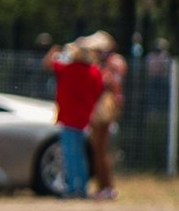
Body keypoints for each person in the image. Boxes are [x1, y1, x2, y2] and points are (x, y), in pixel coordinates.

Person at [48, 35, 102, 196]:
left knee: (70, 156)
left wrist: (55, 50)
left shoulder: (68, 69)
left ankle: (72, 188)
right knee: (81, 156)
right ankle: (83, 188)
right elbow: (99, 91)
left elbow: (49, 63)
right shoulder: (94, 72)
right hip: (85, 118)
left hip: (68, 117)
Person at [87, 31, 124, 200]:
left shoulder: (113, 63)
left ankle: (107, 187)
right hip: (103, 108)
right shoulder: (107, 63)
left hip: (105, 109)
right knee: (98, 150)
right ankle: (103, 186)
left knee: (101, 150)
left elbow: (110, 83)